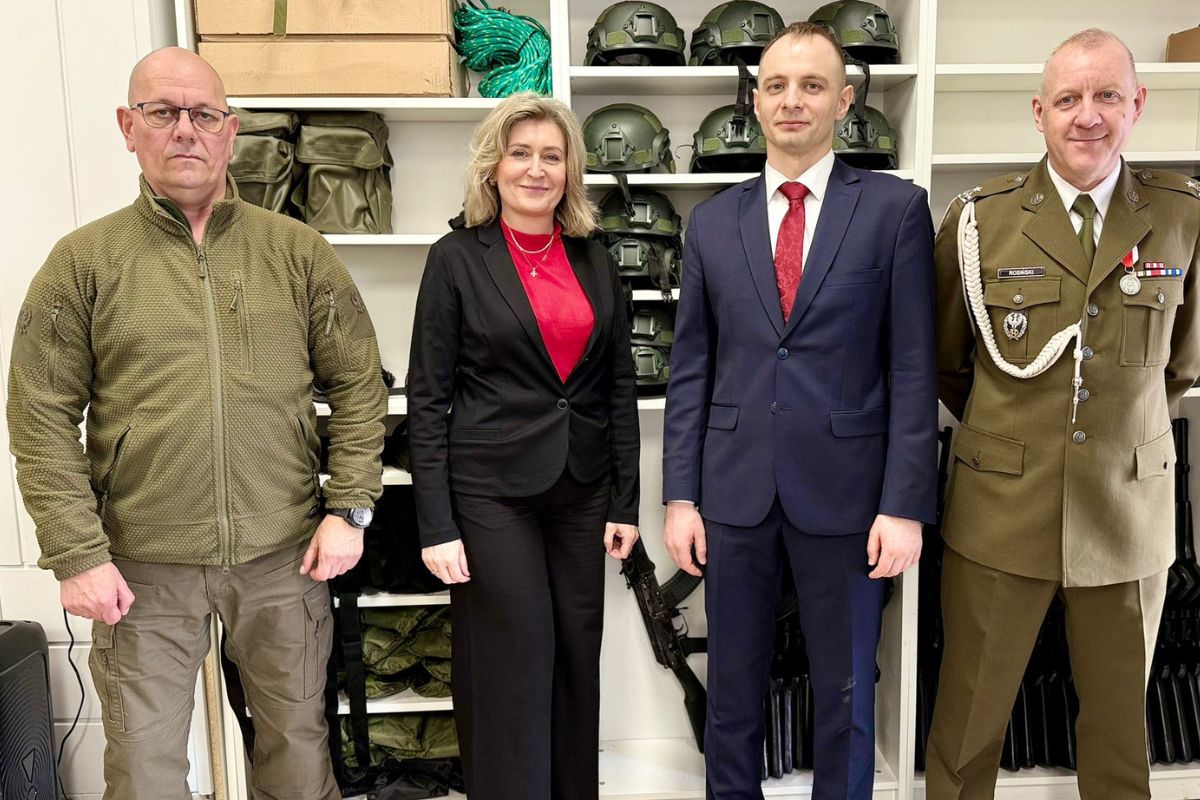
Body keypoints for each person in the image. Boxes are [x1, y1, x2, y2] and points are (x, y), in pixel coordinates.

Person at [6, 47, 386, 799]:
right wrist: (77, 553)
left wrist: (349, 507)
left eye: (204, 114)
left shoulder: (297, 251)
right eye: (163, 112)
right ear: (129, 126)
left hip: (284, 561)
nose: (186, 129)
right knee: (143, 769)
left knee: (298, 756)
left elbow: (358, 384)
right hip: (140, 569)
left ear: (230, 131)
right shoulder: (83, 262)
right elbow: (40, 414)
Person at [661, 21, 937, 800]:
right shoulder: (712, 223)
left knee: (846, 692)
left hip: (849, 497)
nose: (792, 100)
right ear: (754, 102)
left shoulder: (894, 211)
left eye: (812, 85)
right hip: (734, 495)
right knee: (733, 692)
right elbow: (691, 370)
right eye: (776, 85)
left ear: (844, 102)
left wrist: (904, 505)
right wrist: (680, 496)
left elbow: (911, 368)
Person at [927, 29, 1200, 799]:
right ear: (1038, 112)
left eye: (1107, 95)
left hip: (1125, 510)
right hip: (1001, 508)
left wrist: (1114, 435)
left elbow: (1182, 364)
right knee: (967, 728)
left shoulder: (1182, 216)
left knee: (1119, 739)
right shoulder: (979, 221)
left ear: (1136, 104)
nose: (1088, 116)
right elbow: (948, 364)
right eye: (1069, 99)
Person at [407, 92, 641, 800]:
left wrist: (624, 502)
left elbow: (617, 386)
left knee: (575, 650)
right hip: (491, 494)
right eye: (521, 154)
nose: (536, 169)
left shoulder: (595, 258)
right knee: (515, 654)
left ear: (570, 171)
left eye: (552, 156)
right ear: (493, 166)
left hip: (581, 488)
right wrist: (436, 523)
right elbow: (428, 398)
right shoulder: (456, 259)